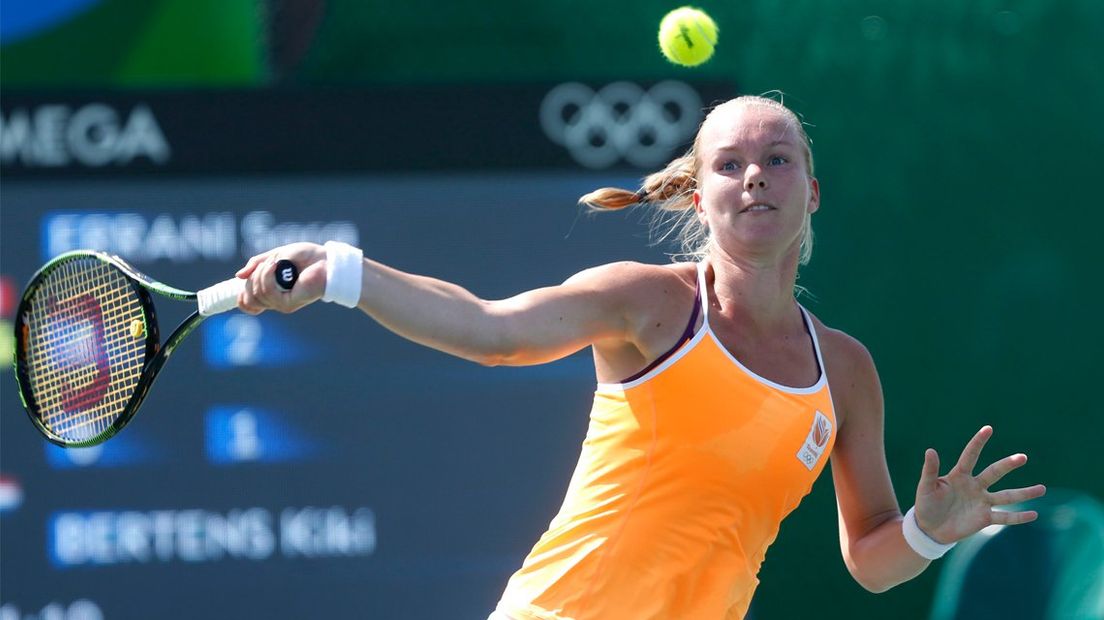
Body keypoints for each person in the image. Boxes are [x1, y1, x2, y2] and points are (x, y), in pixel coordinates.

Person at [233, 95, 1046, 620]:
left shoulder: (847, 371)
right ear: (701, 197)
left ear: (812, 191)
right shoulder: (650, 303)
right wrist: (346, 273)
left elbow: (871, 558)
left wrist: (929, 533)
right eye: (730, 164)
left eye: (777, 160)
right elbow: (493, 329)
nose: (755, 177)